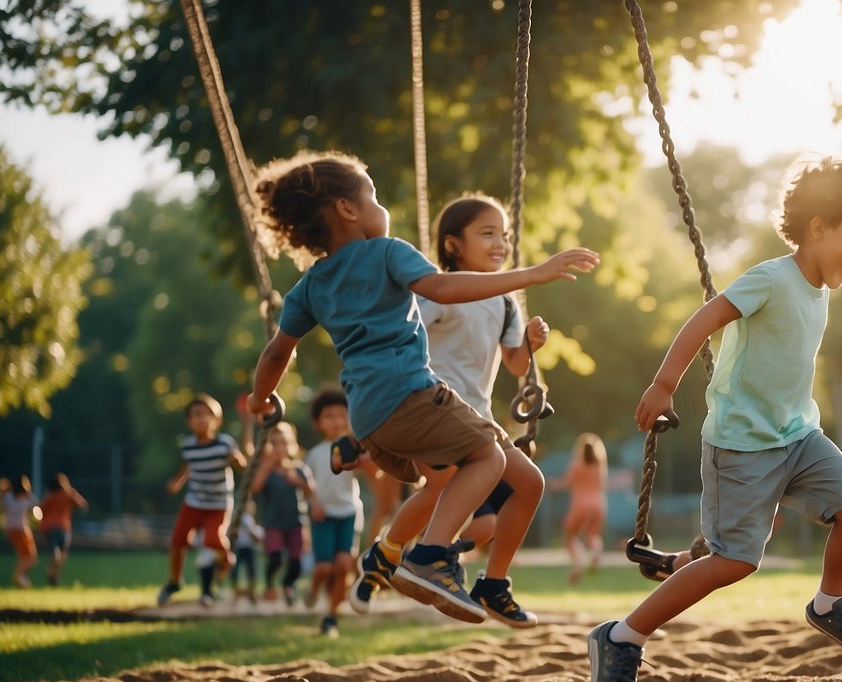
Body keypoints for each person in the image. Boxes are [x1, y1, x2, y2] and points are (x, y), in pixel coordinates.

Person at [587, 153, 842, 682]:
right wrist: (664, 384)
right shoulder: (771, 279)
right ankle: (623, 636)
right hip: (742, 444)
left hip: (798, 435)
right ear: (818, 229)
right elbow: (705, 320)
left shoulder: (820, 290)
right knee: (735, 560)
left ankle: (830, 606)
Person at [246, 150, 598, 627]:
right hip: (413, 396)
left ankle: (490, 584)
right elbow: (444, 290)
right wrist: (534, 273)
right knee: (488, 459)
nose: (378, 203)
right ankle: (428, 557)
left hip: (373, 415)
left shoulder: (309, 287)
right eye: (370, 194)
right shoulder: (389, 252)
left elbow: (276, 353)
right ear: (347, 210)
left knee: (520, 480)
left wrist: (261, 397)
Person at [382, 194, 554, 627]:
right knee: (440, 486)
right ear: (453, 244)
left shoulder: (505, 302)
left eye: (504, 235)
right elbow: (405, 335)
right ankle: (419, 554)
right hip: (439, 409)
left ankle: (493, 584)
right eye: (487, 233)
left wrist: (531, 345)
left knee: (530, 483)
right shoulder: (441, 291)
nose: (500, 243)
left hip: (479, 416)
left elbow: (514, 363)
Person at [160, 395, 247, 606]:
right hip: (194, 501)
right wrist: (176, 483)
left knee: (211, 540)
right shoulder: (189, 445)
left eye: (206, 415)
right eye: (195, 415)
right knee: (178, 540)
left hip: (218, 503)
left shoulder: (224, 442)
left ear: (216, 419)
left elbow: (241, 464)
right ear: (189, 421)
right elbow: (189, 467)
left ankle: (226, 558)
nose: (200, 419)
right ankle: (175, 580)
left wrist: (237, 460)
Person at [304, 387, 365, 637]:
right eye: (329, 416)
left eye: (342, 415)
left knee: (342, 566)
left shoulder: (355, 448)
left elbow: (369, 470)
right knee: (324, 569)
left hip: (349, 512)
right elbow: (307, 485)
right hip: (323, 515)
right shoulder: (315, 454)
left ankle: (331, 617)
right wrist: (314, 503)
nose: (337, 421)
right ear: (318, 423)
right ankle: (314, 588)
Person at [251, 421, 313, 607]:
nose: (279, 448)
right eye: (274, 443)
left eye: (284, 443)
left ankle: (288, 585)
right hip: (273, 523)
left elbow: (311, 493)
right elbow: (254, 488)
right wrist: (266, 465)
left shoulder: (299, 468)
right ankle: (270, 584)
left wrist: (300, 483)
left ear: (292, 445)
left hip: (296, 522)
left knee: (295, 562)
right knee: (275, 558)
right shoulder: (267, 471)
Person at [553, 432, 608, 584]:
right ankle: (596, 552)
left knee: (570, 537)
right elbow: (603, 485)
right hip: (599, 503)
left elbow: (566, 483)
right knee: (593, 536)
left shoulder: (578, 464)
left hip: (581, 504)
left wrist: (554, 485)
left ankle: (578, 563)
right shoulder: (599, 465)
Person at [38, 473, 89, 586]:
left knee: (55, 551)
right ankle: (52, 573)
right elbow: (83, 505)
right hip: (63, 527)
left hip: (48, 527)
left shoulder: (49, 495)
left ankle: (53, 575)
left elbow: (39, 510)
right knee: (63, 554)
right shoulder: (69, 493)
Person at [0, 475, 39, 588]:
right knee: (30, 556)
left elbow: (2, 507)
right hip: (21, 529)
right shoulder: (27, 497)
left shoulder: (7, 496)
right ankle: (19, 576)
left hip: (11, 529)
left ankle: (20, 578)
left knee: (24, 556)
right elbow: (36, 508)